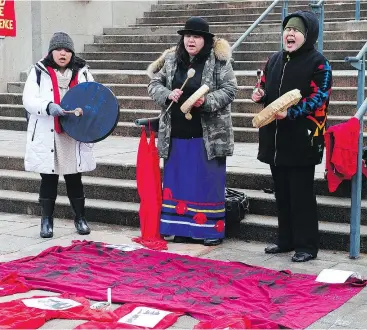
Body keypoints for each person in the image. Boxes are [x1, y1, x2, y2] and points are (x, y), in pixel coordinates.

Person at [147, 16, 238, 246]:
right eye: (188, 36)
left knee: (206, 183)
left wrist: (206, 101)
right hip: (176, 133)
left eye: (196, 37)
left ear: (205, 40)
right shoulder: (170, 61)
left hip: (207, 136)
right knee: (177, 182)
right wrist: (168, 94)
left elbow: (230, 90)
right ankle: (176, 228)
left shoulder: (218, 61)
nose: (191, 40)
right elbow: (153, 84)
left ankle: (208, 231)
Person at [251, 11, 332, 262]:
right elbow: (264, 85)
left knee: (301, 195)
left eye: (296, 30)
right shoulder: (274, 60)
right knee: (282, 192)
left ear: (308, 36)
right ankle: (285, 240)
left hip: (302, 138)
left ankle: (306, 245)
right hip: (275, 138)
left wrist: (293, 112)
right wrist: (259, 94)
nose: (290, 34)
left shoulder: (319, 63)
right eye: (287, 29)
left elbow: (320, 97)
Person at [23, 32, 96, 238]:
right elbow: (28, 99)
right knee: (49, 179)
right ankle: (46, 221)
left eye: (67, 50)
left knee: (74, 178)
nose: (63, 53)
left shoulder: (82, 72)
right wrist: (47, 106)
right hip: (50, 132)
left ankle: (80, 218)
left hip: (74, 133)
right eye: (58, 49)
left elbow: (93, 96)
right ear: (51, 52)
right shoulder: (38, 71)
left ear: (72, 53)